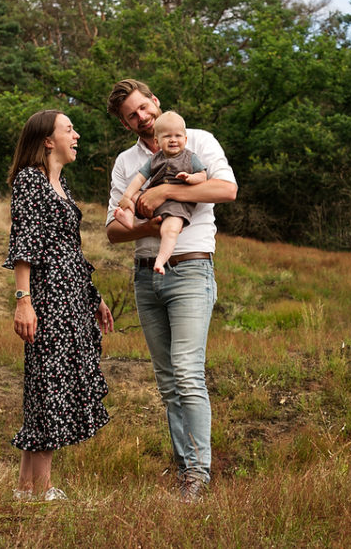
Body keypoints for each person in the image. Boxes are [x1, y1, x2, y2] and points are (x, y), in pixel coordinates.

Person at [105, 79, 237, 502]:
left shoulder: (197, 140)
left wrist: (164, 190)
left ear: (155, 102)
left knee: (186, 371)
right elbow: (112, 229)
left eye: (144, 108)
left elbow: (226, 189)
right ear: (127, 124)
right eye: (132, 115)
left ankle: (197, 475)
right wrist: (147, 222)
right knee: (167, 381)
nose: (141, 117)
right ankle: (186, 469)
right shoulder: (127, 162)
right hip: (146, 276)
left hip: (192, 269)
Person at [3, 109, 115, 502]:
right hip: (47, 298)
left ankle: (24, 489)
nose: (77, 135)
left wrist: (94, 296)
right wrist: (23, 301)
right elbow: (24, 244)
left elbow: (71, 250)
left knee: (45, 388)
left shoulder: (60, 185)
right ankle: (45, 490)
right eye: (69, 129)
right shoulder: (30, 181)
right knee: (49, 386)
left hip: (72, 298)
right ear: (48, 141)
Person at [113, 110, 207, 275]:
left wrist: (191, 178)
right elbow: (139, 179)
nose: (173, 140)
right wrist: (127, 197)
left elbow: (203, 176)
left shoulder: (191, 158)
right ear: (157, 141)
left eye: (178, 136)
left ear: (185, 139)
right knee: (135, 194)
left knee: (170, 230)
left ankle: (160, 260)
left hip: (176, 207)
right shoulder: (154, 159)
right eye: (167, 136)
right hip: (151, 200)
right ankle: (128, 220)